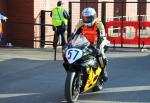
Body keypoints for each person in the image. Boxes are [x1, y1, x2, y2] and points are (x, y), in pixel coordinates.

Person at [71, 7, 109, 91]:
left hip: (97, 43)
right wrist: (69, 42)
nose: (86, 19)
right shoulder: (81, 22)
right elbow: (74, 33)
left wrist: (98, 47)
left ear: (93, 17)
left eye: (88, 18)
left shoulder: (99, 23)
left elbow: (102, 36)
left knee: (100, 54)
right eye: (84, 17)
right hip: (85, 43)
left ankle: (103, 71)